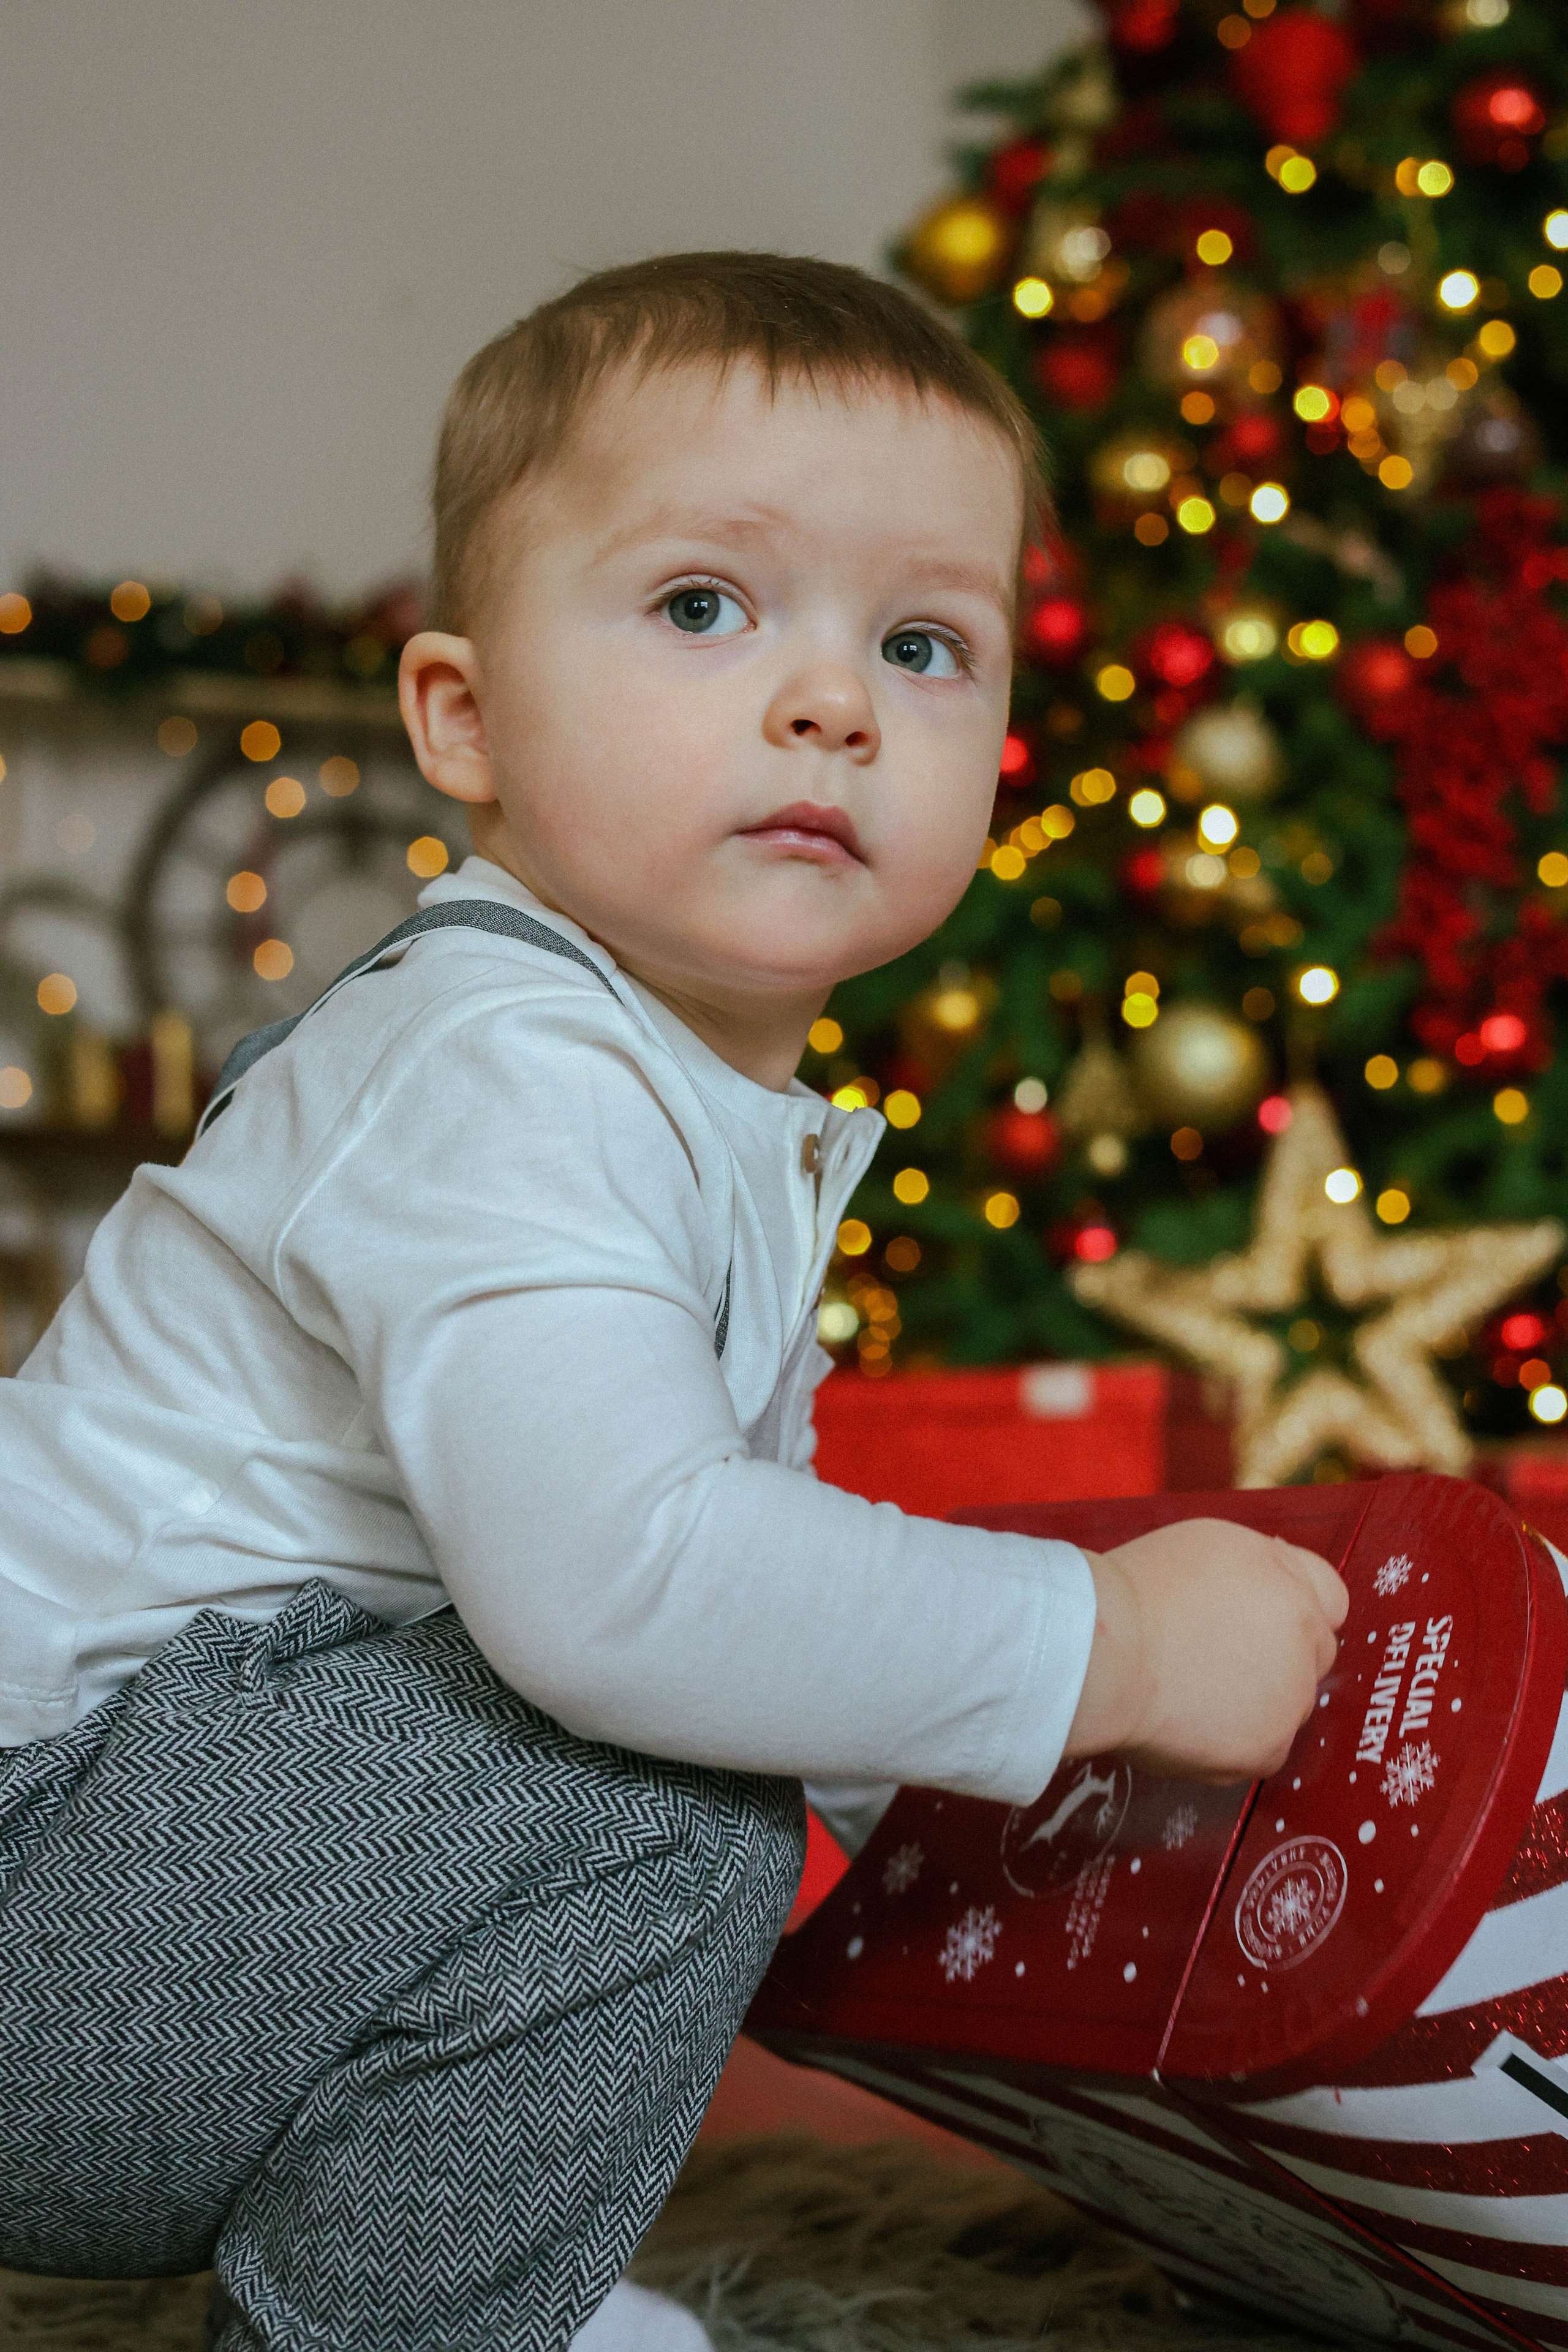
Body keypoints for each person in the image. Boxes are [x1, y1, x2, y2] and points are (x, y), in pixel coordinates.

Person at [0, 252, 1347, 2352]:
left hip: (160, 1919)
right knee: (654, 1748)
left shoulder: (708, 1116)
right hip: (49, 1899)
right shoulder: (501, 1071)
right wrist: (1120, 1643)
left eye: (923, 642)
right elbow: (628, 1590)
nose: (835, 704)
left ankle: (441, 2276)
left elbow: (768, 1599)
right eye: (705, 607)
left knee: (725, 1703)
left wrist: (1045, 1804)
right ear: (464, 719)